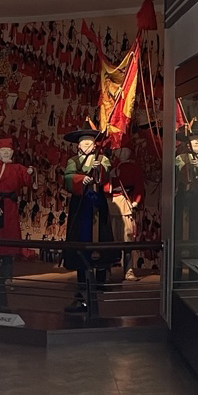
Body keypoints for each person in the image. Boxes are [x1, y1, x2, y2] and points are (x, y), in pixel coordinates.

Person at [60, 119, 117, 315]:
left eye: (90, 143)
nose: (87, 145)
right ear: (78, 146)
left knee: (100, 237)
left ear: (94, 145)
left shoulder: (102, 158)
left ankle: (100, 279)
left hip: (97, 203)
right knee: (80, 238)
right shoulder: (73, 161)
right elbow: (67, 178)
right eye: (84, 143)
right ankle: (82, 278)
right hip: (80, 203)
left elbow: (105, 175)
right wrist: (79, 178)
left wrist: (98, 168)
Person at [0, 137, 34, 310]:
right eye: (3, 151)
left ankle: (7, 278)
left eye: (9, 151)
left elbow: (26, 182)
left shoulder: (17, 168)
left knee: (9, 244)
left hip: (10, 209)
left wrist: (29, 173)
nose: (6, 154)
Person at [110, 145, 146, 281]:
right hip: (112, 203)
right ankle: (106, 269)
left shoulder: (134, 168)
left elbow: (139, 185)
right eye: (121, 151)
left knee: (127, 238)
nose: (123, 153)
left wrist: (136, 201)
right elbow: (104, 185)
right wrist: (110, 177)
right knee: (110, 238)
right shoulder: (112, 166)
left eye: (126, 151)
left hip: (126, 202)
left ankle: (129, 270)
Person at [175, 132, 198, 244]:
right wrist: (188, 167)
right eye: (192, 142)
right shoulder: (181, 158)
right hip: (185, 194)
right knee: (184, 222)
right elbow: (178, 172)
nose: (195, 144)